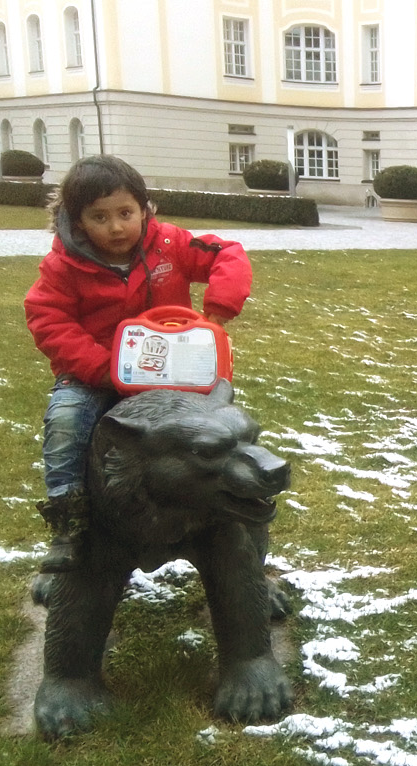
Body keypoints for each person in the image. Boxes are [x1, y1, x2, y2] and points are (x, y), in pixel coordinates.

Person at [24, 154, 253, 572]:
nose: (115, 227)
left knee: (222, 426)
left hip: (173, 369)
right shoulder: (64, 265)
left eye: (125, 213)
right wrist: (102, 367)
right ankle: (69, 518)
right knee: (66, 422)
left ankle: (234, 513)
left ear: (144, 210)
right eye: (100, 217)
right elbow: (48, 319)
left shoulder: (169, 245)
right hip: (94, 374)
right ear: (77, 221)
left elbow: (227, 254)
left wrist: (219, 307)